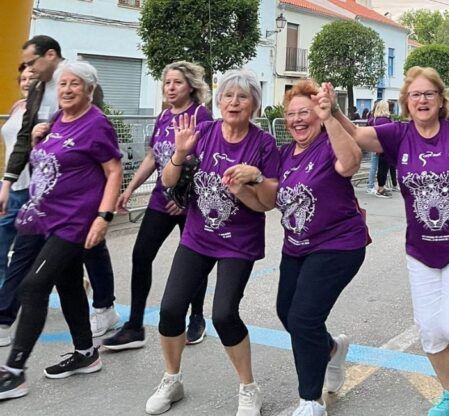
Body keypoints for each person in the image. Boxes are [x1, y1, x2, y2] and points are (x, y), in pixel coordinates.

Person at [332, 66, 449, 416]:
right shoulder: (397, 134)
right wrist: (333, 110)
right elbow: (359, 135)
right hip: (422, 249)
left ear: (441, 100)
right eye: (415, 95)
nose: (422, 100)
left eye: (429, 94)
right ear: (406, 102)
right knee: (430, 332)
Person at [145, 69, 279, 416]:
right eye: (228, 96)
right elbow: (168, 181)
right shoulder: (203, 132)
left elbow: (267, 204)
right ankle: (172, 379)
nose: (234, 102)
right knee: (171, 309)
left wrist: (249, 184)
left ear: (254, 105)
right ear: (218, 102)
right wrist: (179, 152)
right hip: (197, 236)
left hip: (239, 241)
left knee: (224, 314)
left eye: (243, 97)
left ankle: (248, 388)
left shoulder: (263, 144)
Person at [0, 60, 123, 400]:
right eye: (62, 84)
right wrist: (40, 139)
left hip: (74, 221)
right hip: (42, 216)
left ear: (89, 90)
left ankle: (14, 371)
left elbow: (113, 170)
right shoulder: (57, 118)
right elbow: (51, 162)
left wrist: (104, 216)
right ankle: (86, 353)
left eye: (75, 84)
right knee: (68, 285)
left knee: (33, 286)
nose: (67, 90)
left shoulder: (96, 124)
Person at [102, 61, 213, 351]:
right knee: (141, 256)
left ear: (190, 85)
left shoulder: (201, 115)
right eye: (167, 83)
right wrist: (129, 189)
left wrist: (186, 198)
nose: (171, 88)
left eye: (177, 82)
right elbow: (153, 157)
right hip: (161, 201)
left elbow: (207, 160)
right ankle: (134, 325)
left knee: (193, 261)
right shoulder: (164, 116)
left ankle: (197, 317)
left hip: (190, 205)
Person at [276, 80, 368, 416]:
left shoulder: (330, 143)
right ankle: (330, 349)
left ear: (318, 114)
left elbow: (351, 163)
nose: (298, 120)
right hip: (297, 246)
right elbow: (269, 192)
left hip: (339, 244)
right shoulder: (285, 154)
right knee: (287, 313)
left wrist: (330, 118)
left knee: (303, 318)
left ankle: (310, 400)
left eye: (306, 112)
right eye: (291, 114)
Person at [0, 64, 33, 288]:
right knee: (2, 240)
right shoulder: (17, 107)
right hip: (10, 184)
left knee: (30, 245)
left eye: (31, 78)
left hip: (34, 187)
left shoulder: (47, 110)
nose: (26, 82)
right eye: (22, 79)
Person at [371, 100, 396, 198]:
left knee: (379, 167)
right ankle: (381, 188)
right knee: (383, 168)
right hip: (385, 147)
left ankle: (380, 186)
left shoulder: (374, 119)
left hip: (377, 146)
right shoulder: (385, 120)